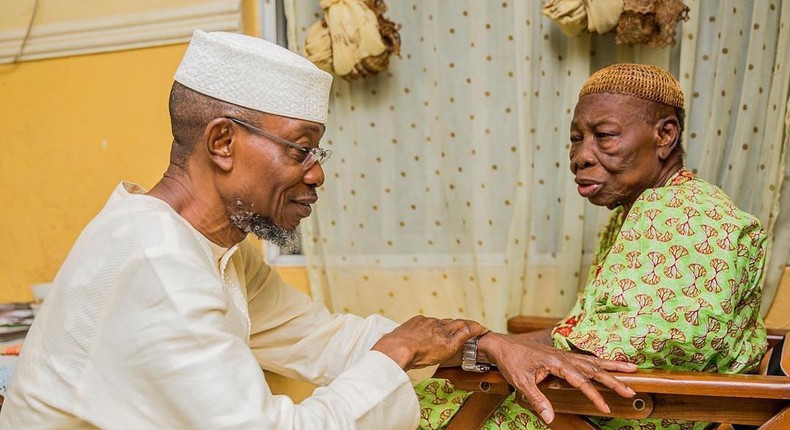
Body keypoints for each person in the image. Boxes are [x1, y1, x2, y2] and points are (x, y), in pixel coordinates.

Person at [0, 31, 638, 429]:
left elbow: (326, 340)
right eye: (301, 149)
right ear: (222, 142)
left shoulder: (217, 252)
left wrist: (480, 342)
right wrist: (399, 354)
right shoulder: (154, 263)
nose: (317, 175)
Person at [417, 63, 768, 430]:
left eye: (604, 136)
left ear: (665, 135)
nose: (579, 157)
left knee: (429, 402)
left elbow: (633, 346)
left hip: (618, 412)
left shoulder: (688, 215)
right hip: (599, 403)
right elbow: (593, 331)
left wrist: (484, 350)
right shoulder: (639, 210)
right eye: (576, 138)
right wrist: (486, 344)